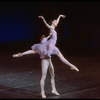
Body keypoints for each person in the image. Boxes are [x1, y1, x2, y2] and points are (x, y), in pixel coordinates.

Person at [13, 34, 60, 98]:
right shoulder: (38, 46)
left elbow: (51, 38)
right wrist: (22, 54)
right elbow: (31, 51)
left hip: (49, 60)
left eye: (45, 38)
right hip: (44, 61)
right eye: (43, 38)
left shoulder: (48, 44)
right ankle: (42, 92)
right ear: (40, 39)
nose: (44, 39)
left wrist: (50, 35)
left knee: (53, 75)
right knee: (44, 76)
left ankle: (54, 89)